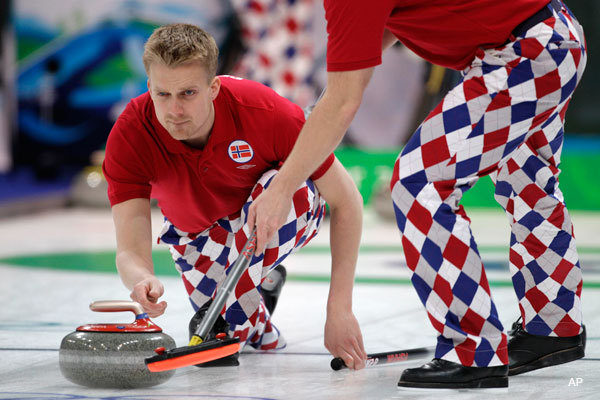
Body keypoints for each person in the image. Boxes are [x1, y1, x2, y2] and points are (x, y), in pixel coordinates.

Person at [248, 0, 586, 389]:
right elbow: (372, 43)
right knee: (528, 184)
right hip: (557, 36)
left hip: (520, 54)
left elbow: (344, 101)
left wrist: (281, 187)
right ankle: (553, 326)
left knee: (420, 183)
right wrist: (322, 109)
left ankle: (472, 348)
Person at [102, 23, 367, 369]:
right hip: (196, 234)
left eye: (188, 94)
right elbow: (129, 251)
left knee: (220, 326)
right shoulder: (129, 135)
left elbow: (348, 202)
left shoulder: (268, 113)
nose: (174, 111)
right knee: (236, 339)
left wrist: (339, 309)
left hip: (282, 210)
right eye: (162, 95)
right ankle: (264, 288)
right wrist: (142, 279)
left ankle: (244, 291)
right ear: (149, 86)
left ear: (213, 88)